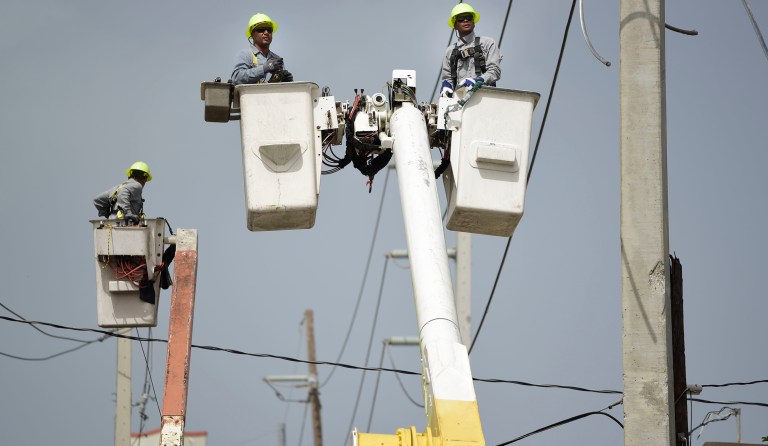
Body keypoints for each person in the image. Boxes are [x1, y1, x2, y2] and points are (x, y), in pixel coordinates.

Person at [440, 3, 502, 98]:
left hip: (484, 97)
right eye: (461, 19)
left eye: (469, 17)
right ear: (455, 25)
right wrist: (446, 86)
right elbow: (447, 78)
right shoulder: (450, 51)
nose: (465, 20)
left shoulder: (487, 43)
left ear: (474, 22)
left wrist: (479, 80)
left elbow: (494, 71)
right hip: (460, 102)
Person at [231, 13, 294, 85]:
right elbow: (236, 78)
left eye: (269, 30)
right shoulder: (245, 55)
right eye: (261, 29)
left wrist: (287, 82)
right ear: (252, 34)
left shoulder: (276, 59)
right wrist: (263, 69)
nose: (266, 32)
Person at [93, 161, 152, 226]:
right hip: (126, 226)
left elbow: (97, 200)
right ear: (144, 178)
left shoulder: (117, 188)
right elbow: (123, 193)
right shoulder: (137, 185)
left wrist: (108, 215)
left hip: (111, 225)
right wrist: (128, 213)